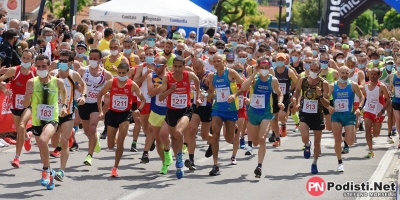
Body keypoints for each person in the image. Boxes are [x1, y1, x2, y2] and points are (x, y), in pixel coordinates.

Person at [22, 55, 67, 190]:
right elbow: (25, 104)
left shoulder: (57, 82)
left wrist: (64, 106)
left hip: (52, 119)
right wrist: (28, 95)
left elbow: (64, 94)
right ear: (35, 67)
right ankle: (51, 174)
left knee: (42, 141)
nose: (41, 69)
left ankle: (45, 171)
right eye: (38, 66)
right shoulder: (31, 82)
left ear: (49, 67)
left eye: (44, 66)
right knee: (43, 150)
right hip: (37, 120)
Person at [239, 56, 284, 177]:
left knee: (262, 138)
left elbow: (280, 93)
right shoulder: (255, 79)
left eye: (266, 68)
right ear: (258, 67)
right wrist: (253, 73)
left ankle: (259, 166)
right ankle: (256, 150)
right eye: (262, 68)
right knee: (255, 143)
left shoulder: (273, 80)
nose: (264, 70)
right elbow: (244, 87)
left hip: (266, 113)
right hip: (253, 113)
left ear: (269, 68)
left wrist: (280, 101)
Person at [97, 63, 145, 177]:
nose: (121, 75)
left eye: (124, 73)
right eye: (119, 73)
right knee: (110, 145)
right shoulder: (111, 82)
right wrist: (100, 111)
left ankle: (115, 167)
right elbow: (99, 95)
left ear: (128, 73)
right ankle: (112, 134)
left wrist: (139, 109)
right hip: (112, 114)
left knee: (121, 141)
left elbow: (143, 99)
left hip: (125, 114)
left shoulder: (132, 84)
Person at [159, 56, 200, 179]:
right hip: (171, 111)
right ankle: (178, 163)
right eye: (175, 66)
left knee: (178, 132)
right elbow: (161, 97)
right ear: (172, 66)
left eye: (179, 66)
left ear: (183, 67)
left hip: (185, 110)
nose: (177, 69)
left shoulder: (189, 76)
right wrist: (170, 90)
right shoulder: (167, 77)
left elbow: (197, 81)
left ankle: (180, 157)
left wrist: (197, 96)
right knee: (173, 137)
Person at [50, 50, 87, 181]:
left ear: (71, 63)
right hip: (53, 113)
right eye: (61, 60)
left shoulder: (74, 75)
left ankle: (61, 171)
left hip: (68, 112)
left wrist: (83, 95)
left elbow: (83, 84)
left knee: (64, 142)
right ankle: (69, 134)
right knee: (55, 143)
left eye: (65, 61)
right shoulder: (53, 74)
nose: (62, 63)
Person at [206, 53, 244, 176]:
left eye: (219, 61)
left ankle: (234, 129)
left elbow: (243, 86)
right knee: (215, 134)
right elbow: (211, 92)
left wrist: (235, 95)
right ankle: (215, 165)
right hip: (217, 109)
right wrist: (204, 96)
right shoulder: (212, 76)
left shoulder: (231, 73)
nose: (216, 63)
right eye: (214, 61)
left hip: (231, 109)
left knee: (229, 139)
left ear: (224, 62)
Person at [292, 59, 330, 174]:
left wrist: (320, 96)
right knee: (304, 136)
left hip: (318, 114)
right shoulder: (303, 80)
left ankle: (314, 163)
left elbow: (327, 104)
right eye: (311, 70)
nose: (313, 72)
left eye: (316, 70)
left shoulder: (324, 83)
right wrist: (297, 102)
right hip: (305, 112)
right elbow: (297, 91)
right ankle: (307, 144)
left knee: (317, 143)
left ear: (320, 70)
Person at [0, 49, 36, 168]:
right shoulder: (14, 70)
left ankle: (17, 158)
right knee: (19, 129)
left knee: (21, 127)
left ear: (32, 60)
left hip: (30, 104)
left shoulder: (35, 72)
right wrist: (4, 89)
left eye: (28, 59)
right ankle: (27, 136)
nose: (25, 60)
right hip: (15, 105)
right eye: (23, 58)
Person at [77, 49, 113, 166]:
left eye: (95, 58)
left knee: (92, 128)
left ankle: (89, 155)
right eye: (90, 58)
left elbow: (113, 87)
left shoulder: (106, 74)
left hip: (96, 104)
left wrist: (107, 94)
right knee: (87, 131)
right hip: (83, 103)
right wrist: (82, 91)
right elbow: (76, 84)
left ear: (100, 60)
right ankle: (95, 138)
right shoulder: (82, 71)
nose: (92, 60)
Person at [328, 66, 364, 172]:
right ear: (338, 73)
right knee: (337, 140)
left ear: (349, 74)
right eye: (342, 73)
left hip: (349, 115)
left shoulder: (353, 85)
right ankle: (340, 162)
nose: (344, 75)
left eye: (346, 73)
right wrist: (328, 106)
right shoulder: (332, 86)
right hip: (336, 115)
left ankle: (346, 137)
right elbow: (325, 98)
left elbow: (362, 97)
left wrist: (359, 109)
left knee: (351, 141)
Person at [183, 58, 213, 170]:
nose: (196, 70)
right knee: (191, 130)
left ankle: (212, 142)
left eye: (198, 68)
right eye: (194, 68)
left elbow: (213, 93)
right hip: (195, 107)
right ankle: (191, 159)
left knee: (204, 135)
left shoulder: (209, 76)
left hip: (207, 107)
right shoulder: (192, 75)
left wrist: (203, 96)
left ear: (203, 66)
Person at [146, 56, 173, 174]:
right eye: (154, 65)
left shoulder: (171, 76)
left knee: (164, 135)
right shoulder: (151, 76)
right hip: (156, 111)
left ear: (165, 66)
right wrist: (162, 88)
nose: (154, 67)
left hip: (168, 111)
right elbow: (151, 93)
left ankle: (168, 151)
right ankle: (164, 163)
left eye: (157, 65)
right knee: (157, 139)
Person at [363, 67, 391, 158]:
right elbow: (363, 97)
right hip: (368, 110)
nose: (372, 76)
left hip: (378, 112)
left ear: (379, 76)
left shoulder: (381, 86)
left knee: (376, 134)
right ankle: (371, 150)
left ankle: (377, 126)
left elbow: (388, 99)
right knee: (367, 129)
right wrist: (360, 107)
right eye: (371, 74)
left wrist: (382, 110)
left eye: (375, 74)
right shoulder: (365, 85)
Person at [390, 58, 400, 148]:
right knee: (398, 119)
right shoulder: (392, 76)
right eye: (398, 63)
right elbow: (391, 88)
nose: (399, 65)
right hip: (396, 100)